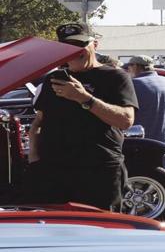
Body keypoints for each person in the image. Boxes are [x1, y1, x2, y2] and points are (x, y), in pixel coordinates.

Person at [27, 24, 138, 211]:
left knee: (100, 232)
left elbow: (126, 120)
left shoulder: (115, 77)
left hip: (99, 171)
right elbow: (39, 121)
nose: (73, 52)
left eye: (79, 45)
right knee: (56, 233)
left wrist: (84, 98)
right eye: (67, 47)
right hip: (55, 170)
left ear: (95, 44)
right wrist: (34, 158)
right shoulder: (53, 78)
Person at [123, 56, 165, 170]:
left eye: (128, 67)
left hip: (140, 148)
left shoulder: (132, 85)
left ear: (135, 66)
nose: (127, 70)